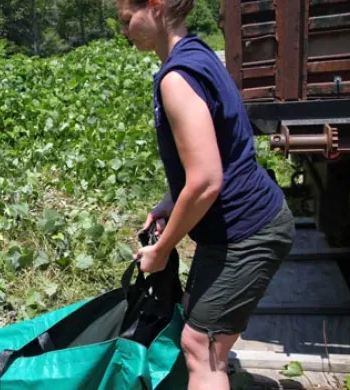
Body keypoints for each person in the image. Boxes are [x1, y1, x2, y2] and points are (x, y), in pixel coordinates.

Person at [114, 1, 295, 389]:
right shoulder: (196, 53)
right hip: (236, 228)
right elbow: (215, 150)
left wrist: (162, 251)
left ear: (157, 8)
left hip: (248, 232)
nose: (125, 30)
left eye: (127, 19)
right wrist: (171, 197)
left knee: (201, 349)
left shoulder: (176, 78)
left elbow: (207, 181)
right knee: (200, 335)